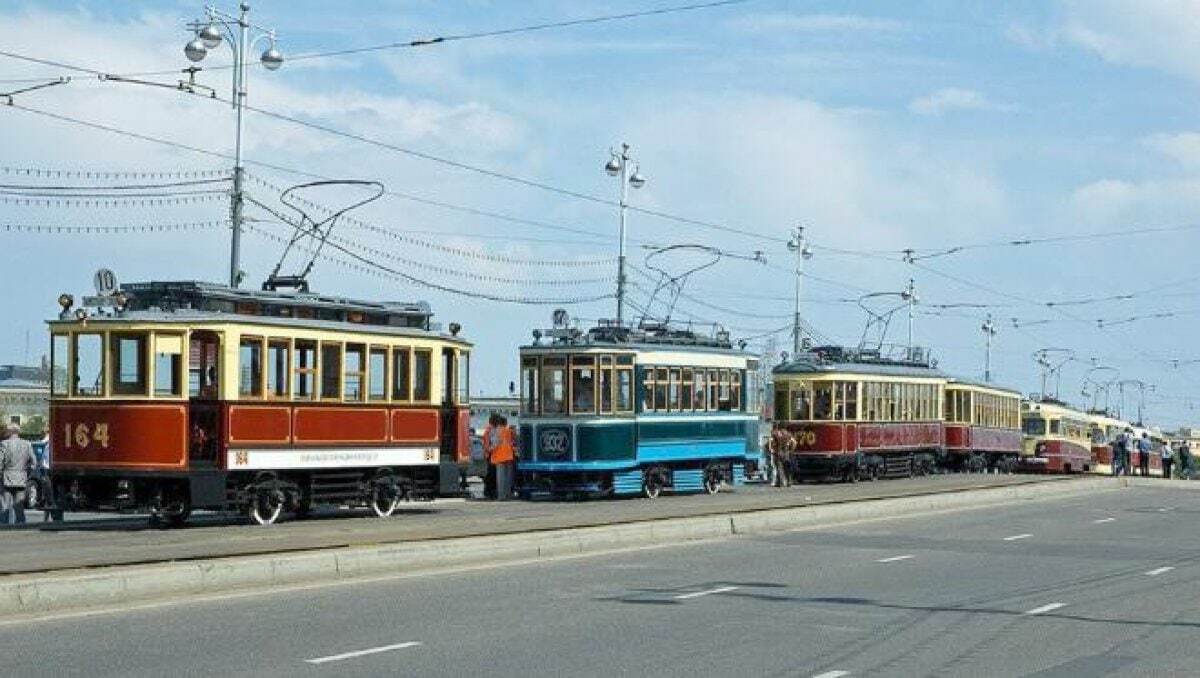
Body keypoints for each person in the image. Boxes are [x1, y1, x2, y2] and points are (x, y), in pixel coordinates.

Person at [1, 424, 36, 525]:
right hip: (21, 478)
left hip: (6, 479)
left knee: (5, 507)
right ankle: (20, 528)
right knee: (19, 507)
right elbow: (34, 463)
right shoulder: (27, 444)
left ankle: (4, 528)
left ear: (10, 432)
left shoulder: (4, 444)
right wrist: (26, 473)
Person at [491, 416, 516, 501]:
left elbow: (495, 443)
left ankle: (501, 496)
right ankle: (508, 495)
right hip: (509, 455)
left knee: (500, 478)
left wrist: (489, 449)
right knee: (508, 478)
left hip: (500, 456)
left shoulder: (497, 430)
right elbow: (512, 442)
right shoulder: (508, 431)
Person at [481, 414, 500, 500]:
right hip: (491, 455)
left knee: (491, 475)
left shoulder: (490, 430)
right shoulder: (490, 430)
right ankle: (490, 492)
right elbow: (487, 444)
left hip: (491, 455)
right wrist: (492, 449)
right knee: (492, 475)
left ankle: (489, 491)